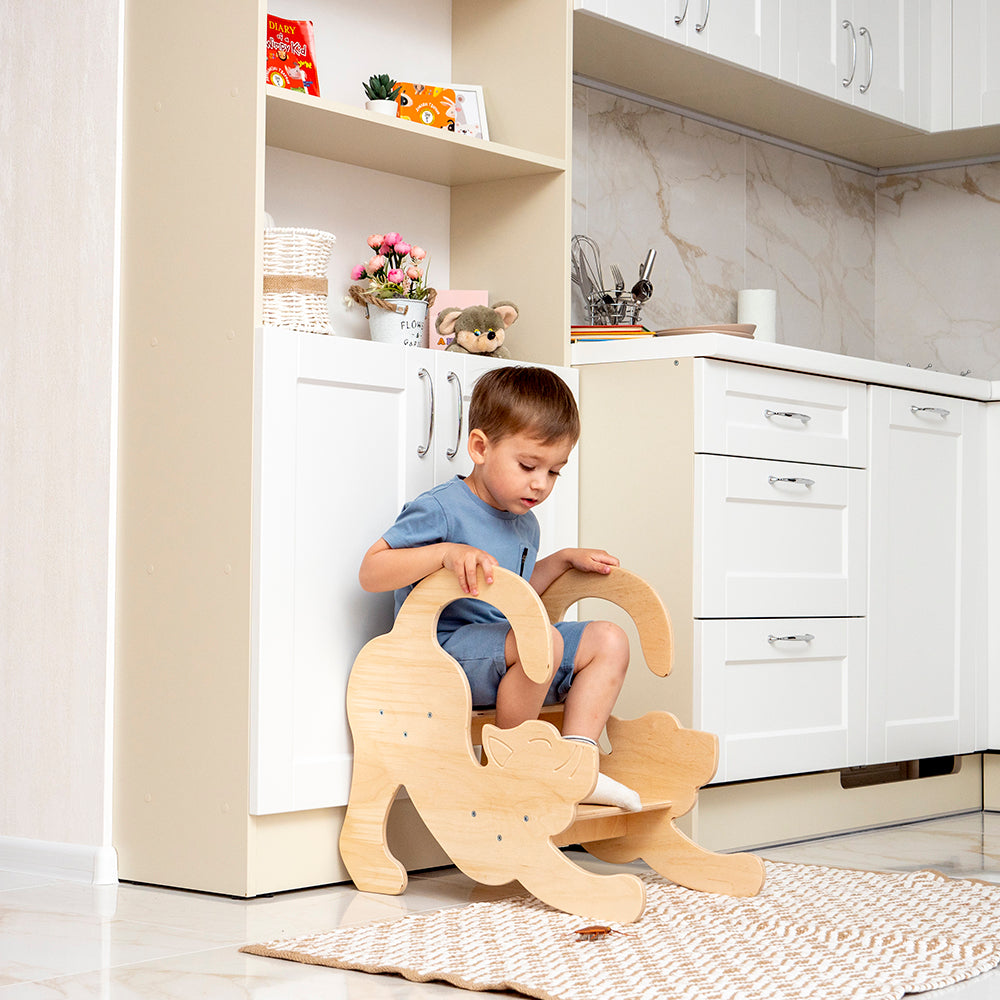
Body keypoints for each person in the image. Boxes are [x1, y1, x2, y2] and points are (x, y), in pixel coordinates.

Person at [359, 365, 641, 810]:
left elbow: (514, 590)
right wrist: (444, 553)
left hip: (508, 652)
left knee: (609, 638)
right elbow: (371, 572)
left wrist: (561, 560)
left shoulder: (524, 521)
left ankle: (576, 764)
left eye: (554, 472)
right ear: (479, 448)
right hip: (442, 652)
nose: (540, 484)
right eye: (528, 465)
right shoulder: (442, 509)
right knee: (539, 641)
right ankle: (514, 766)